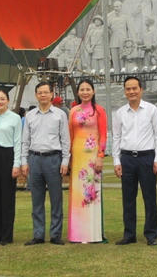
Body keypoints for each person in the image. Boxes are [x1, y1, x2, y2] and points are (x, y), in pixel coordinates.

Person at [111, 75, 157, 246]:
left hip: (146, 157)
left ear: (141, 90)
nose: (131, 91)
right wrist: (116, 162)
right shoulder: (119, 113)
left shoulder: (151, 110)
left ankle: (151, 234)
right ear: (125, 91)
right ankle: (129, 234)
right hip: (127, 158)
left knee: (149, 197)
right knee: (128, 198)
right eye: (128, 89)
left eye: (135, 88)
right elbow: (116, 138)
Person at [19, 81, 69, 245]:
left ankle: (55, 235)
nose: (43, 95)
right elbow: (25, 141)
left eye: (46, 92)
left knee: (56, 199)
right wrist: (24, 161)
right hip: (35, 159)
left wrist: (65, 160)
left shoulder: (60, 114)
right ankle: (38, 234)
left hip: (53, 158)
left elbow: (65, 140)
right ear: (36, 95)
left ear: (51, 94)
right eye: (40, 92)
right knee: (37, 199)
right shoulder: (30, 116)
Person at [68, 79, 107, 243]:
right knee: (77, 195)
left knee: (91, 194)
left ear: (93, 91)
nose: (85, 92)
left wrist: (100, 156)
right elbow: (70, 135)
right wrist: (69, 157)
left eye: (88, 89)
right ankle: (78, 234)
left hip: (92, 159)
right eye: (82, 89)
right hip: (77, 157)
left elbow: (103, 135)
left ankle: (93, 234)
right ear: (77, 92)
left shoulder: (99, 111)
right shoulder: (73, 111)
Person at [0, 89, 21, 245]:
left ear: (7, 101)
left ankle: (7, 236)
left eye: (2, 99)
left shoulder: (15, 118)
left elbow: (18, 142)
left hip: (8, 155)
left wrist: (16, 164)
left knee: (7, 198)